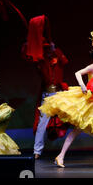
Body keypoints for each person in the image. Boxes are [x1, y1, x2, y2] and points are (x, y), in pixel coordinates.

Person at [39, 30, 93, 167]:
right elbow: (78, 73)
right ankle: (60, 156)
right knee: (77, 130)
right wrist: (83, 85)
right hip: (89, 101)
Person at [21, 15, 69, 159]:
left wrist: (56, 50)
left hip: (60, 94)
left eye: (49, 48)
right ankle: (37, 151)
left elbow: (65, 60)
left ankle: (65, 151)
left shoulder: (58, 58)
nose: (48, 50)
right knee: (42, 123)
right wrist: (30, 43)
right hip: (48, 96)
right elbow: (27, 54)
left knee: (74, 117)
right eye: (45, 48)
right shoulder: (41, 62)